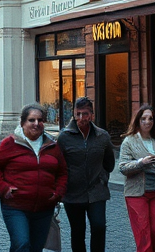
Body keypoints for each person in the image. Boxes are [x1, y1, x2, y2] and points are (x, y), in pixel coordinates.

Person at [0, 103, 68, 252]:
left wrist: (58, 193)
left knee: (35, 248)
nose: (36, 124)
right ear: (23, 122)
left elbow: (62, 172)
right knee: (22, 243)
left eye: (40, 120)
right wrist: (3, 188)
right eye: (32, 120)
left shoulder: (52, 145)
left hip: (44, 207)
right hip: (16, 206)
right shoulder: (10, 143)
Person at [57, 97, 114, 252]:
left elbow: (109, 163)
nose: (82, 118)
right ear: (74, 114)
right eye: (78, 114)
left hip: (96, 191)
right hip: (73, 193)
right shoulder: (64, 137)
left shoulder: (102, 136)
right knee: (77, 232)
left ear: (92, 115)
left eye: (85, 114)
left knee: (99, 226)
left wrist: (102, 178)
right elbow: (59, 165)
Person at [118, 105, 155, 252]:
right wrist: (140, 163)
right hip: (136, 193)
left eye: (150, 118)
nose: (147, 122)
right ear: (138, 120)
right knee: (143, 233)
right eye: (143, 118)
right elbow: (123, 167)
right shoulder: (129, 141)